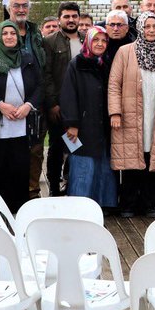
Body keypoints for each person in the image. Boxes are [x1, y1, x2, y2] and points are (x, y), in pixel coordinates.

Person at [108, 12, 155, 218]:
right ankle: (129, 204)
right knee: (131, 162)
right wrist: (115, 112)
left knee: (153, 161)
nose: (151, 30)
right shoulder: (125, 52)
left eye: (154, 27)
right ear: (139, 28)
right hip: (131, 116)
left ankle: (149, 204)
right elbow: (114, 85)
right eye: (147, 26)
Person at [0, 20, 44, 215]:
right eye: (4, 33)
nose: (9, 37)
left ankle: (17, 210)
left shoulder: (27, 59)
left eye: (12, 33)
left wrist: (28, 106)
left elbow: (40, 86)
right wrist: (0, 105)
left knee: (18, 167)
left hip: (21, 123)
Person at [60, 26, 117, 210]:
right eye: (96, 40)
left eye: (103, 40)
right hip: (83, 126)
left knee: (102, 166)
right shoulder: (77, 64)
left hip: (103, 125)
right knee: (83, 167)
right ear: (88, 42)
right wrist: (72, 123)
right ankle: (81, 206)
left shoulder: (107, 63)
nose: (100, 44)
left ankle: (103, 204)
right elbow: (68, 95)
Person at [7, 0, 48, 200]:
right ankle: (12, 191)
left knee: (35, 148)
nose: (21, 9)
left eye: (24, 6)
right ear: (9, 9)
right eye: (16, 6)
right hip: (9, 104)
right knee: (12, 149)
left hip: (34, 100)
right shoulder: (1, 32)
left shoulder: (35, 33)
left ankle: (32, 191)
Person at [43, 1, 83, 196]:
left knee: (76, 147)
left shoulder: (86, 40)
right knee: (57, 148)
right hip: (59, 106)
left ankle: (72, 183)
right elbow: (47, 74)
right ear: (59, 19)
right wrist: (53, 103)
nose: (71, 20)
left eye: (74, 16)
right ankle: (53, 186)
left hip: (82, 106)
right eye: (66, 16)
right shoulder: (50, 42)